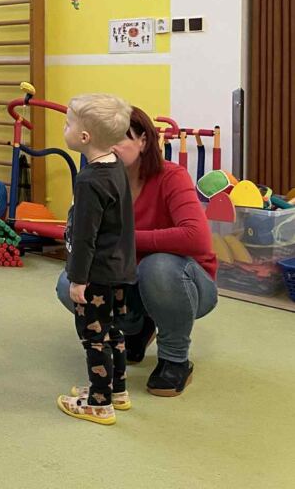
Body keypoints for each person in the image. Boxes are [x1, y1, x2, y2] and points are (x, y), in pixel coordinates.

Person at [57, 106, 216, 397]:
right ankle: (134, 330)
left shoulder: (172, 176)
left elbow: (197, 238)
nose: (110, 145)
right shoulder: (95, 180)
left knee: (158, 266)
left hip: (185, 284)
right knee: (69, 282)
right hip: (127, 281)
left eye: (120, 137)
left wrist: (121, 239)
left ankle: (175, 359)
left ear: (143, 141)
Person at [56, 93, 136, 426]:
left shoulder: (89, 181)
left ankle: (99, 404)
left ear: (85, 137)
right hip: (118, 269)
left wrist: (78, 280)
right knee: (112, 331)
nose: (65, 128)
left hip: (96, 274)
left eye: (68, 124)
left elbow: (85, 236)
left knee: (93, 336)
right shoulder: (115, 165)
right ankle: (117, 390)